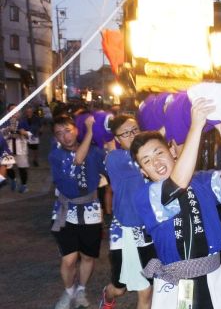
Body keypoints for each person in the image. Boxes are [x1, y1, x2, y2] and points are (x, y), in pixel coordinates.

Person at [130, 98, 221, 309]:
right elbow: (178, 183)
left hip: (213, 274)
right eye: (146, 161)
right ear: (143, 172)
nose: (156, 163)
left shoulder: (203, 180)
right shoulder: (146, 196)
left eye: (159, 153)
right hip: (179, 282)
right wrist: (196, 126)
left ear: (172, 151)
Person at [49, 114, 106, 309]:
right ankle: (68, 291)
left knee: (88, 256)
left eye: (68, 130)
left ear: (75, 129)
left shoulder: (96, 152)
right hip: (66, 212)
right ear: (55, 138)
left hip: (90, 210)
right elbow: (77, 161)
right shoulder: (56, 156)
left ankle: (81, 289)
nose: (64, 136)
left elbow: (111, 168)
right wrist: (91, 131)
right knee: (69, 258)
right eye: (59, 133)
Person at [99, 115, 155, 309]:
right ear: (117, 139)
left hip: (148, 230)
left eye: (135, 130)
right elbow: (137, 167)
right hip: (123, 230)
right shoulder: (114, 158)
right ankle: (108, 296)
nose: (132, 136)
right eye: (126, 133)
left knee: (147, 288)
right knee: (120, 286)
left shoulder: (152, 156)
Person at [0, 104, 31, 193]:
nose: (14, 112)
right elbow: (1, 134)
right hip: (8, 149)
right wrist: (7, 130)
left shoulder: (23, 121)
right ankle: (13, 180)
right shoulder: (5, 122)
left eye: (16, 110)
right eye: (11, 110)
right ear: (8, 112)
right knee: (8, 167)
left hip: (21, 148)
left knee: (22, 168)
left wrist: (24, 133)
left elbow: (30, 134)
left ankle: (24, 185)